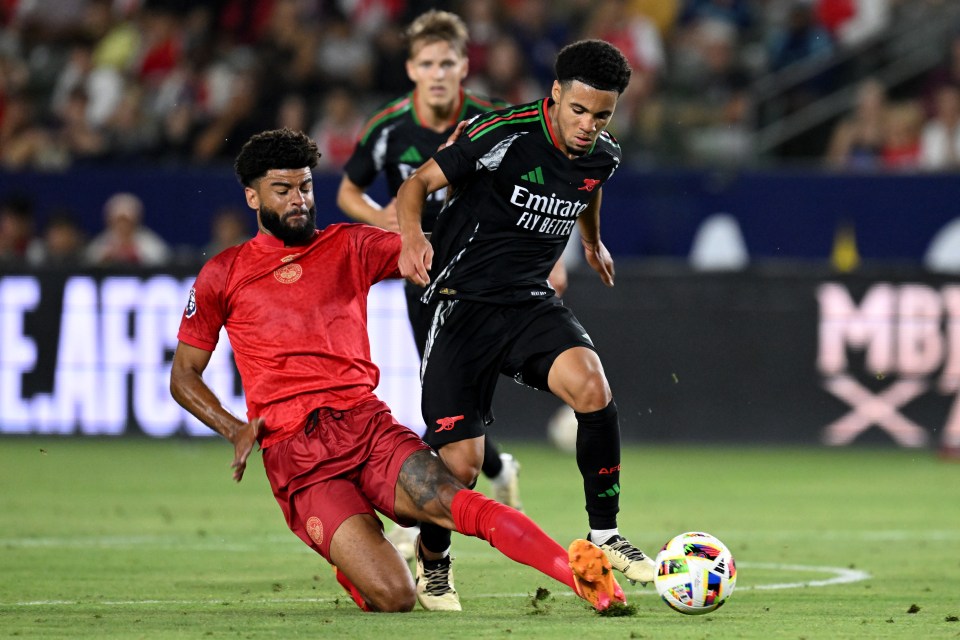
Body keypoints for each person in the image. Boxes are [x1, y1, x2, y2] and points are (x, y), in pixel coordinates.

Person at [169, 127, 625, 614]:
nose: (298, 200)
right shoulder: (224, 272)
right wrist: (234, 428)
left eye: (304, 187)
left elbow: (444, 253)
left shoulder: (349, 245)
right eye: (282, 191)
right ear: (252, 195)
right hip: (296, 455)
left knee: (454, 500)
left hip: (367, 428)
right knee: (395, 596)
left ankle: (579, 574)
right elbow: (184, 376)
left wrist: (468, 191)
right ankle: (356, 557)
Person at [396, 39, 656, 612]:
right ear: (556, 94)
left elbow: (589, 186)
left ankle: (606, 534)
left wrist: (591, 241)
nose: (589, 126)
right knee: (460, 466)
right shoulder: (502, 133)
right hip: (463, 306)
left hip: (528, 303)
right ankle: (434, 563)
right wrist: (414, 236)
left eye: (603, 115)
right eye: (580, 110)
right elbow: (415, 185)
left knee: (592, 386)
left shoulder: (602, 155)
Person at [336, 9, 529, 565]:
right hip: (421, 276)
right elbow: (350, 192)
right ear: (411, 69)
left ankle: (423, 511)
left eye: (448, 62)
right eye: (427, 63)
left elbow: (531, 192)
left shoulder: (491, 121)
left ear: (465, 66)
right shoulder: (389, 128)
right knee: (446, 394)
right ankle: (490, 470)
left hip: (483, 274)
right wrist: (390, 224)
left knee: (452, 393)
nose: (439, 72)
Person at [85, 192, 171, 266]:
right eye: (119, 220)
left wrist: (136, 255)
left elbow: (162, 259)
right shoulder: (102, 241)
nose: (123, 225)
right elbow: (88, 261)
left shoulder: (148, 240)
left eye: (127, 221)